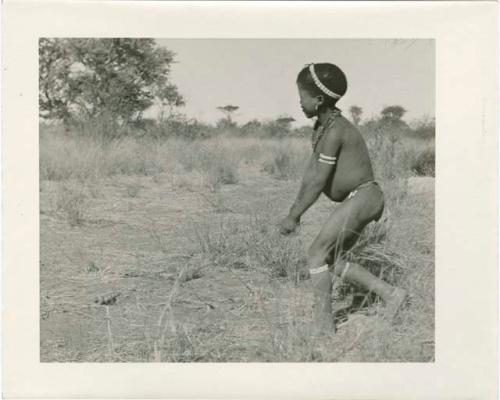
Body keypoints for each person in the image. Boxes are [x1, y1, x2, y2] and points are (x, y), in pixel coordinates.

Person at [279, 63, 407, 333]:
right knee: (333, 260)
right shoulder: (323, 128)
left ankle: (324, 327)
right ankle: (392, 295)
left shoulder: (335, 130)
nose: (299, 102)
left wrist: (294, 215)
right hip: (363, 197)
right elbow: (312, 174)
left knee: (316, 254)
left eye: (302, 96)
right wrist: (295, 209)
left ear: (319, 99)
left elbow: (317, 181)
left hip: (364, 196)